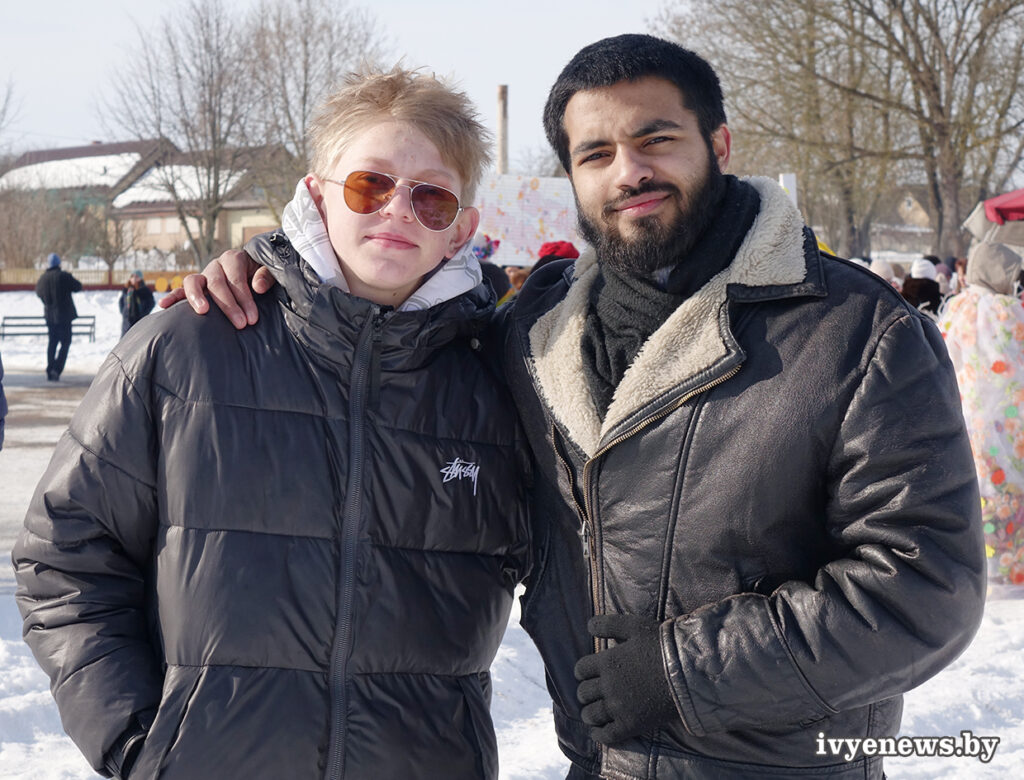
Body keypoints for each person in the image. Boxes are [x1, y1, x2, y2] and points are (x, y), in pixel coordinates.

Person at [165, 34, 985, 779]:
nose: (629, 172)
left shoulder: (857, 332)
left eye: (656, 139)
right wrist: (280, 277)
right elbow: (389, 329)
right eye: (596, 153)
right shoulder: (532, 336)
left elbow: (926, 589)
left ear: (720, 146)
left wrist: (680, 674)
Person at [14, 67, 530, 780]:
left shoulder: (500, 387)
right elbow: (65, 556)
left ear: (461, 230)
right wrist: (138, 743)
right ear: (316, 197)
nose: (397, 211)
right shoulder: (186, 350)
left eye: (432, 197)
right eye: (370, 185)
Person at [940, 241, 1024, 587]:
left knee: (974, 486)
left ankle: (976, 566)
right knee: (1010, 482)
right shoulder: (1010, 311)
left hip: (963, 416)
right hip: (1010, 418)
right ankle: (1011, 564)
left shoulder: (956, 308)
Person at [34, 252, 82, 381]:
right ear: (59, 263)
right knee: (65, 342)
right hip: (65, 317)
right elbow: (78, 287)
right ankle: (57, 368)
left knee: (52, 343)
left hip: (50, 317)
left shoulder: (43, 279)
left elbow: (38, 293)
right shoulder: (64, 276)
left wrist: (47, 302)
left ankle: (50, 369)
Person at [119, 269, 156, 335]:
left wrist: (144, 314)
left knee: (137, 338)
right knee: (125, 339)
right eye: (132, 276)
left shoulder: (144, 290)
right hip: (127, 320)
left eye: (136, 276)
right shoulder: (126, 290)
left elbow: (151, 303)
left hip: (139, 320)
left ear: (140, 278)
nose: (134, 278)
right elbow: (121, 301)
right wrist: (124, 312)